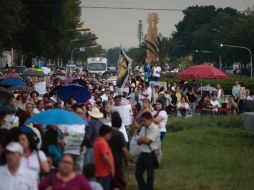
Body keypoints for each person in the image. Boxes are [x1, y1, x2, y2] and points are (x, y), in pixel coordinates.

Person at [135, 112, 160, 190]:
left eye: (144, 120)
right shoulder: (143, 128)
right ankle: (143, 188)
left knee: (150, 175)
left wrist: (142, 140)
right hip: (142, 153)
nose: (142, 122)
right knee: (137, 174)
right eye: (142, 120)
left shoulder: (155, 128)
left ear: (150, 119)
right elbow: (138, 142)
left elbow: (148, 141)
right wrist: (143, 140)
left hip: (150, 154)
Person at [109, 112, 130, 190]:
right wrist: (127, 161)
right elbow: (124, 149)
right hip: (117, 160)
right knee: (120, 181)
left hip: (108, 160)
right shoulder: (119, 134)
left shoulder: (107, 133)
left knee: (111, 180)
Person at [93, 125, 114, 190]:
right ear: (106, 134)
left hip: (98, 172)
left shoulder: (97, 141)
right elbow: (105, 156)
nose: (110, 136)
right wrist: (111, 167)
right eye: (110, 134)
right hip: (104, 173)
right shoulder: (103, 143)